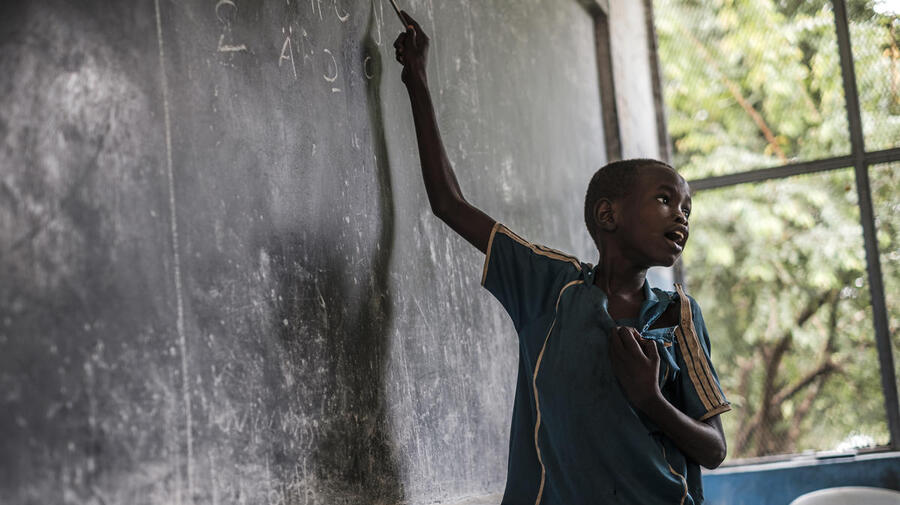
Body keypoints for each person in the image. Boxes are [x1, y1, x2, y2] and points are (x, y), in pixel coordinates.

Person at [393, 12, 730, 505]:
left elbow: (715, 449)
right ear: (607, 214)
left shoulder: (680, 314)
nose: (681, 217)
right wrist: (417, 80)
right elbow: (449, 204)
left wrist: (651, 401)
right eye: (664, 199)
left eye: (687, 209)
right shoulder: (547, 287)